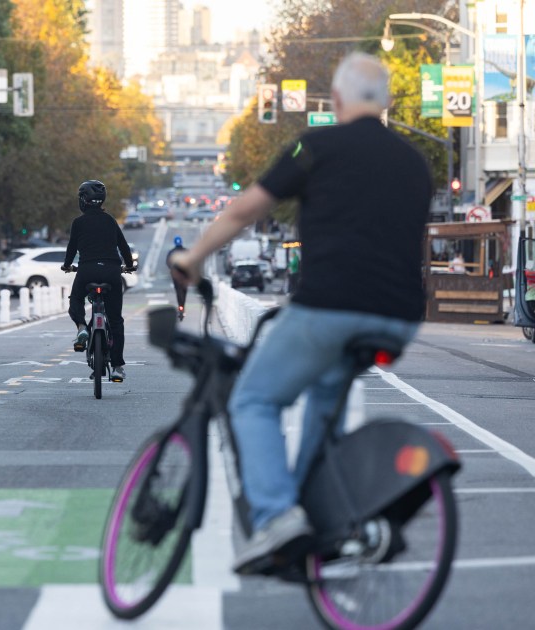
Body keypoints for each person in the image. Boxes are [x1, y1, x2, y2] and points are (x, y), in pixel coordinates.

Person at [169, 53, 431, 574]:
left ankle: (275, 519)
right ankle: (328, 520)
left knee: (255, 400)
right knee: (323, 403)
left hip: (332, 307)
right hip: (400, 317)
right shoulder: (414, 162)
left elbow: (245, 209)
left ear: (334, 101)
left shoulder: (313, 147)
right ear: (389, 104)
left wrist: (192, 260)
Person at [63, 180, 136, 382]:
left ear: (83, 201)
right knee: (116, 320)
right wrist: (129, 265)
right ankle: (118, 366)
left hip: (87, 271)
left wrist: (67, 265)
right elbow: (123, 247)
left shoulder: (78, 223)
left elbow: (71, 248)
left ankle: (82, 328)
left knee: (76, 299)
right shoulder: (110, 220)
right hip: (112, 273)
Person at [166, 235, 187, 320]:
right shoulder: (186, 251)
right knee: (184, 290)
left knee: (178, 290)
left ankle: (180, 307)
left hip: (175, 274)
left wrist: (172, 269)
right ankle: (182, 307)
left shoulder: (171, 252)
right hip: (185, 274)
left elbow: (168, 262)